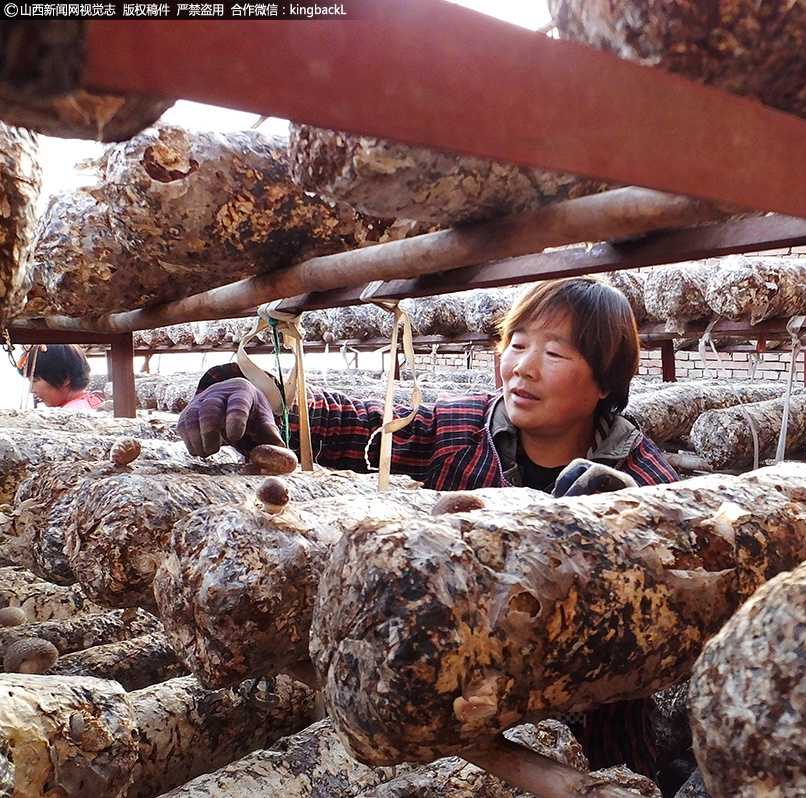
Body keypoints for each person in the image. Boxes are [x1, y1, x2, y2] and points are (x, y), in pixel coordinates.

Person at [178, 276, 678, 779]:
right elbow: (354, 426)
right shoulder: (461, 430)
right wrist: (258, 393)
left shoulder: (650, 484)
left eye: (554, 353)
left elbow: (670, 628)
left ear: (606, 381)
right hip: (457, 734)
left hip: (592, 743)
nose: (523, 367)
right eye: (518, 344)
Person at [17, 344, 103, 410]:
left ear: (65, 378)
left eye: (34, 380)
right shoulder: (89, 402)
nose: (32, 390)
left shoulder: (72, 413)